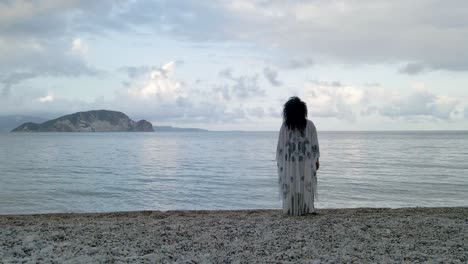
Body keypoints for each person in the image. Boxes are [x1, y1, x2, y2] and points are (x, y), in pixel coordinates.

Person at [276, 96, 320, 216]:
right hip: (305, 162)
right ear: (303, 111)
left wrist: (282, 163)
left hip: (290, 162)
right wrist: (316, 160)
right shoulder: (310, 125)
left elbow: (281, 148)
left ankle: (291, 208)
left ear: (287, 112)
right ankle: (308, 208)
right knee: (306, 182)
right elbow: (314, 146)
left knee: (292, 184)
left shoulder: (285, 127)